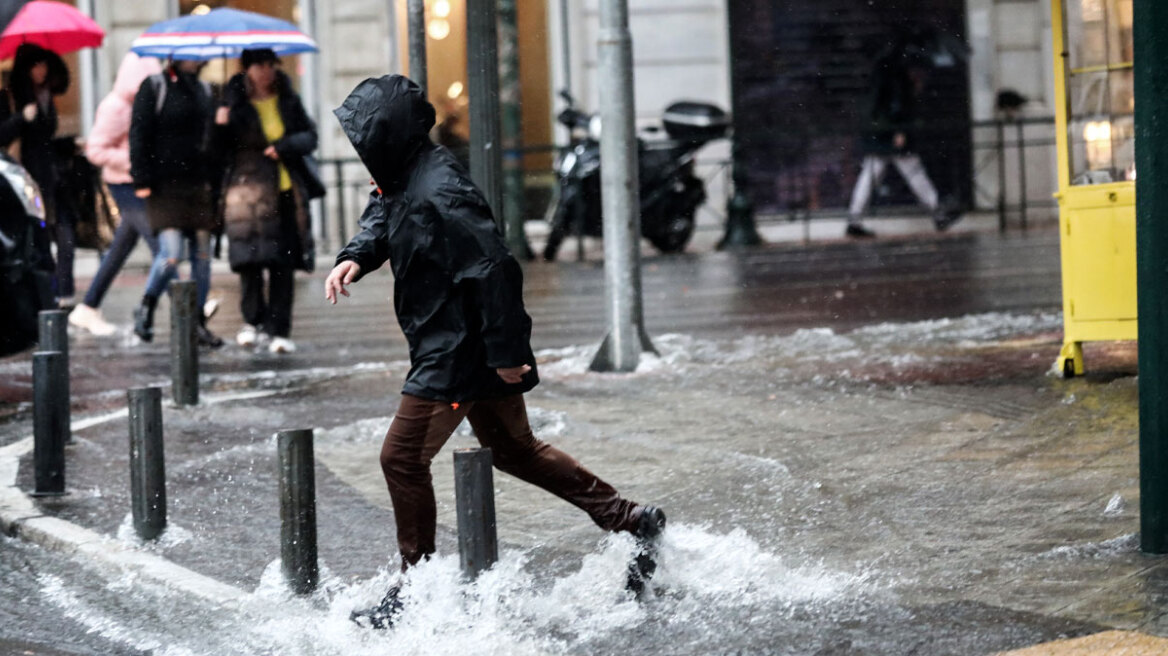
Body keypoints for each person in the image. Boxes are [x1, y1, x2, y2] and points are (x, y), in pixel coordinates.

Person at [325, 75, 666, 629]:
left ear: (390, 135)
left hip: (457, 350)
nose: (361, 151)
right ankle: (629, 518)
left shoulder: (441, 189)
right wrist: (357, 257)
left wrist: (507, 353)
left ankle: (417, 591)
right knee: (515, 450)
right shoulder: (405, 174)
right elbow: (384, 211)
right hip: (458, 341)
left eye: (366, 138)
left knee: (401, 459)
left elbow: (494, 268)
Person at [213, 48, 317, 354]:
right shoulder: (232, 101)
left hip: (285, 190)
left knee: (283, 262)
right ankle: (253, 322)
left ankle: (279, 328)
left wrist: (284, 146)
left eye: (271, 65)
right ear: (247, 69)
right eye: (260, 65)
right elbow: (217, 150)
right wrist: (220, 122)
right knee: (251, 260)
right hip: (246, 193)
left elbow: (309, 136)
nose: (266, 71)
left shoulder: (287, 98)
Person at [128, 58, 222, 347]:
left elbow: (214, 140)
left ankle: (197, 323)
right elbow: (139, 133)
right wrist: (141, 178)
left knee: (203, 258)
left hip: (198, 184)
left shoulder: (206, 90)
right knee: (171, 254)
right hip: (163, 185)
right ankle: (146, 306)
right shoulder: (155, 86)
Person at [67, 53, 163, 336]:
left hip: (137, 181)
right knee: (161, 246)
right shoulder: (116, 107)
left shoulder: (142, 105)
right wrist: (134, 161)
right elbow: (95, 150)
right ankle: (191, 307)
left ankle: (88, 306)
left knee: (121, 247)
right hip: (123, 184)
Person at [844, 38, 961, 238]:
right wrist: (900, 130)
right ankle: (938, 213)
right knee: (914, 172)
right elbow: (898, 105)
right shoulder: (897, 75)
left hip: (878, 134)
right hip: (890, 134)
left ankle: (854, 220)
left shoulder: (881, 72)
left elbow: (879, 104)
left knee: (871, 176)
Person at [0, 44, 75, 306]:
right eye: (35, 66)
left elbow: (46, 138)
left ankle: (64, 295)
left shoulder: (45, 95)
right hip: (24, 179)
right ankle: (47, 302)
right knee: (40, 243)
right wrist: (21, 117)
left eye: (44, 65)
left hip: (51, 176)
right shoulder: (9, 95)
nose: (41, 71)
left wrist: (69, 145)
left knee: (65, 238)